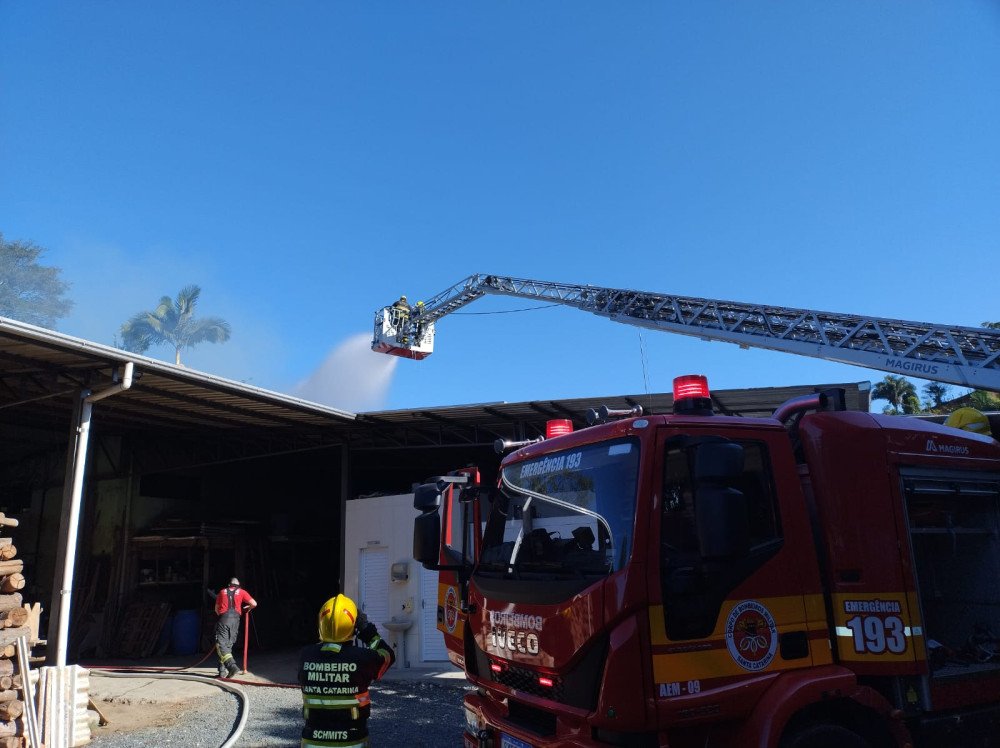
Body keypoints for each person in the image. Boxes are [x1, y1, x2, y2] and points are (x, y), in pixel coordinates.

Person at [298, 594, 395, 748]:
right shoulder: (362, 658)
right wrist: (367, 631)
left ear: (321, 624)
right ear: (353, 627)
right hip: (353, 741)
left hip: (312, 741)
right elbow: (388, 655)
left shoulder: (305, 656)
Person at [214, 577, 257, 678]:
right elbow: (254, 603)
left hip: (224, 619)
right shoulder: (242, 592)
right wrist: (249, 607)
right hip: (235, 620)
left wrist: (222, 617)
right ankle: (222, 671)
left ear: (229, 584)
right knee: (228, 645)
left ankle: (231, 666)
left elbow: (216, 609)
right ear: (238, 585)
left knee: (220, 644)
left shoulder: (222, 592)